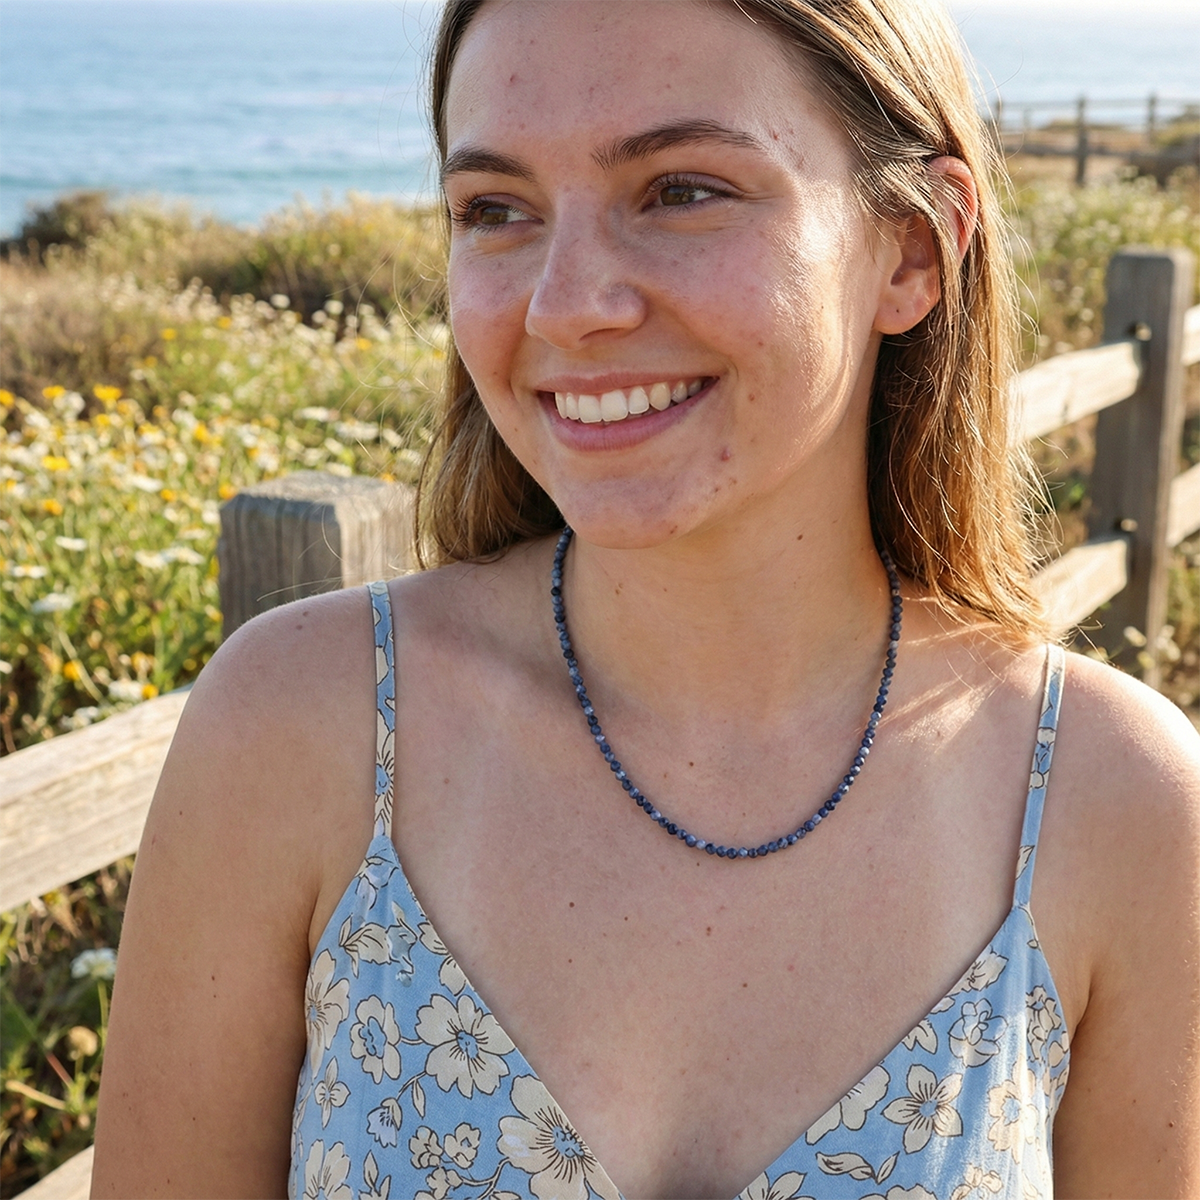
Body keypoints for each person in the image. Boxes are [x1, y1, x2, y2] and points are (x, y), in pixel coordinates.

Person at [91, 0, 1200, 1197]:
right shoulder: (305, 729)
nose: (566, 305)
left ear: (914, 248)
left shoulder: (1112, 800)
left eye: (682, 190)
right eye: (496, 211)